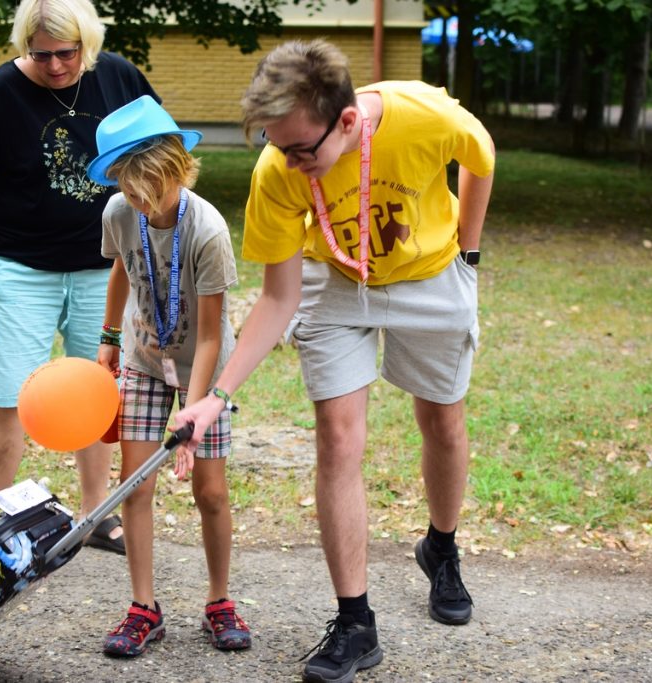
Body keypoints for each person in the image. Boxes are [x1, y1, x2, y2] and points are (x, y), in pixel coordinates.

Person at [174, 40, 495, 683]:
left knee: (442, 422)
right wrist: (216, 394)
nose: (287, 164)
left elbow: (480, 158)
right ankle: (355, 622)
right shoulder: (277, 171)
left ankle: (441, 547)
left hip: (430, 273)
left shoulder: (426, 116)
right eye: (275, 146)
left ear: (347, 122)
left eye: (300, 151)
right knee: (337, 439)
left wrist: (469, 251)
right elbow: (277, 298)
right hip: (335, 283)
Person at [0, 0, 159, 555]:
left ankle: (96, 514)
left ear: (87, 42)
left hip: (105, 269)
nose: (56, 65)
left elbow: (159, 155)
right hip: (20, 267)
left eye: (67, 53)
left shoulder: (118, 76)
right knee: (10, 394)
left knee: (98, 391)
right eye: (40, 55)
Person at [85, 95, 252, 657]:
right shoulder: (119, 211)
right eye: (128, 190)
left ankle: (220, 601)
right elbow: (121, 271)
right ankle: (143, 606)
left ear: (177, 172)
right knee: (136, 484)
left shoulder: (208, 231)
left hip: (205, 367)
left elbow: (210, 335)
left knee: (210, 491)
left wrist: (195, 407)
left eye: (147, 190)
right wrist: (109, 339)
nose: (139, 203)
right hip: (143, 359)